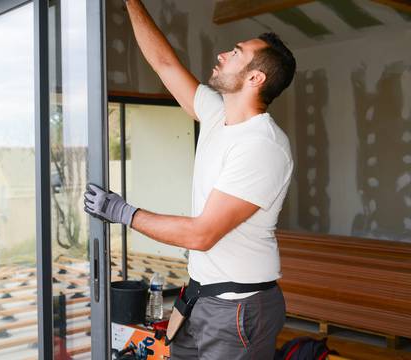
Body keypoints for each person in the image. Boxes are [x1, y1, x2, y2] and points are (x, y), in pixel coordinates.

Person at [83, 0, 296, 359]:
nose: (223, 54)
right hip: (199, 298)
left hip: (237, 310)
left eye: (236, 53)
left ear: (255, 78)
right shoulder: (217, 115)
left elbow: (202, 234)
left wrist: (123, 212)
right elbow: (165, 64)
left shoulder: (263, 146)